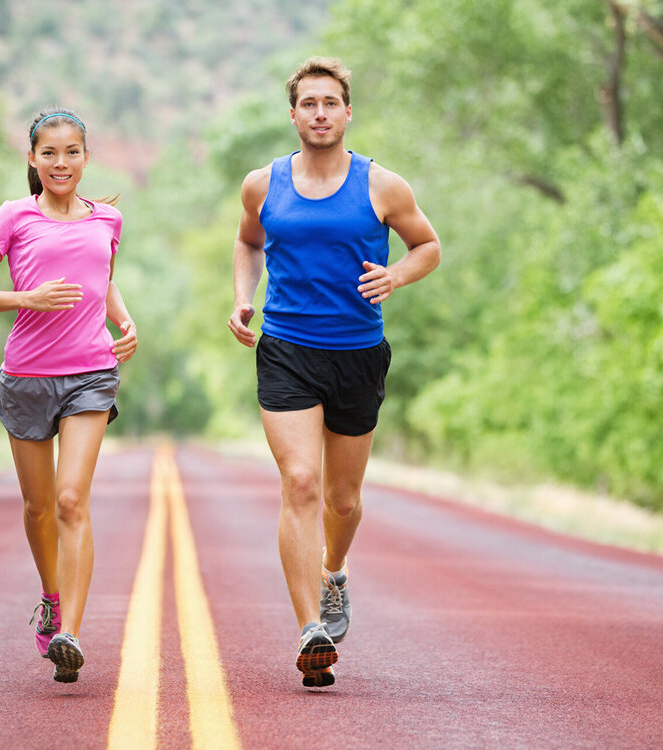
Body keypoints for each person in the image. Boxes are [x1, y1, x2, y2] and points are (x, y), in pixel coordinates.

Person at [228, 57, 441, 688]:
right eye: (309, 104)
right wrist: (244, 295)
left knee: (342, 499)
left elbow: (427, 246)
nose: (320, 113)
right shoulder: (262, 185)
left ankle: (334, 573)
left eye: (331, 103)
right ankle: (308, 628)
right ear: (292, 114)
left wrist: (395, 275)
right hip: (288, 347)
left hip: (357, 353)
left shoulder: (383, 186)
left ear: (347, 113)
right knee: (300, 481)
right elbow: (248, 242)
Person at [0, 107, 137, 684]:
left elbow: (101, 279)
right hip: (26, 377)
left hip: (89, 372)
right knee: (38, 508)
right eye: (50, 153)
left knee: (69, 501)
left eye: (73, 152)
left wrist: (124, 321)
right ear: (33, 159)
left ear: (86, 157)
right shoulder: (14, 217)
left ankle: (70, 634)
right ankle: (51, 596)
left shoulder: (106, 219)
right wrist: (26, 299)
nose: (62, 163)